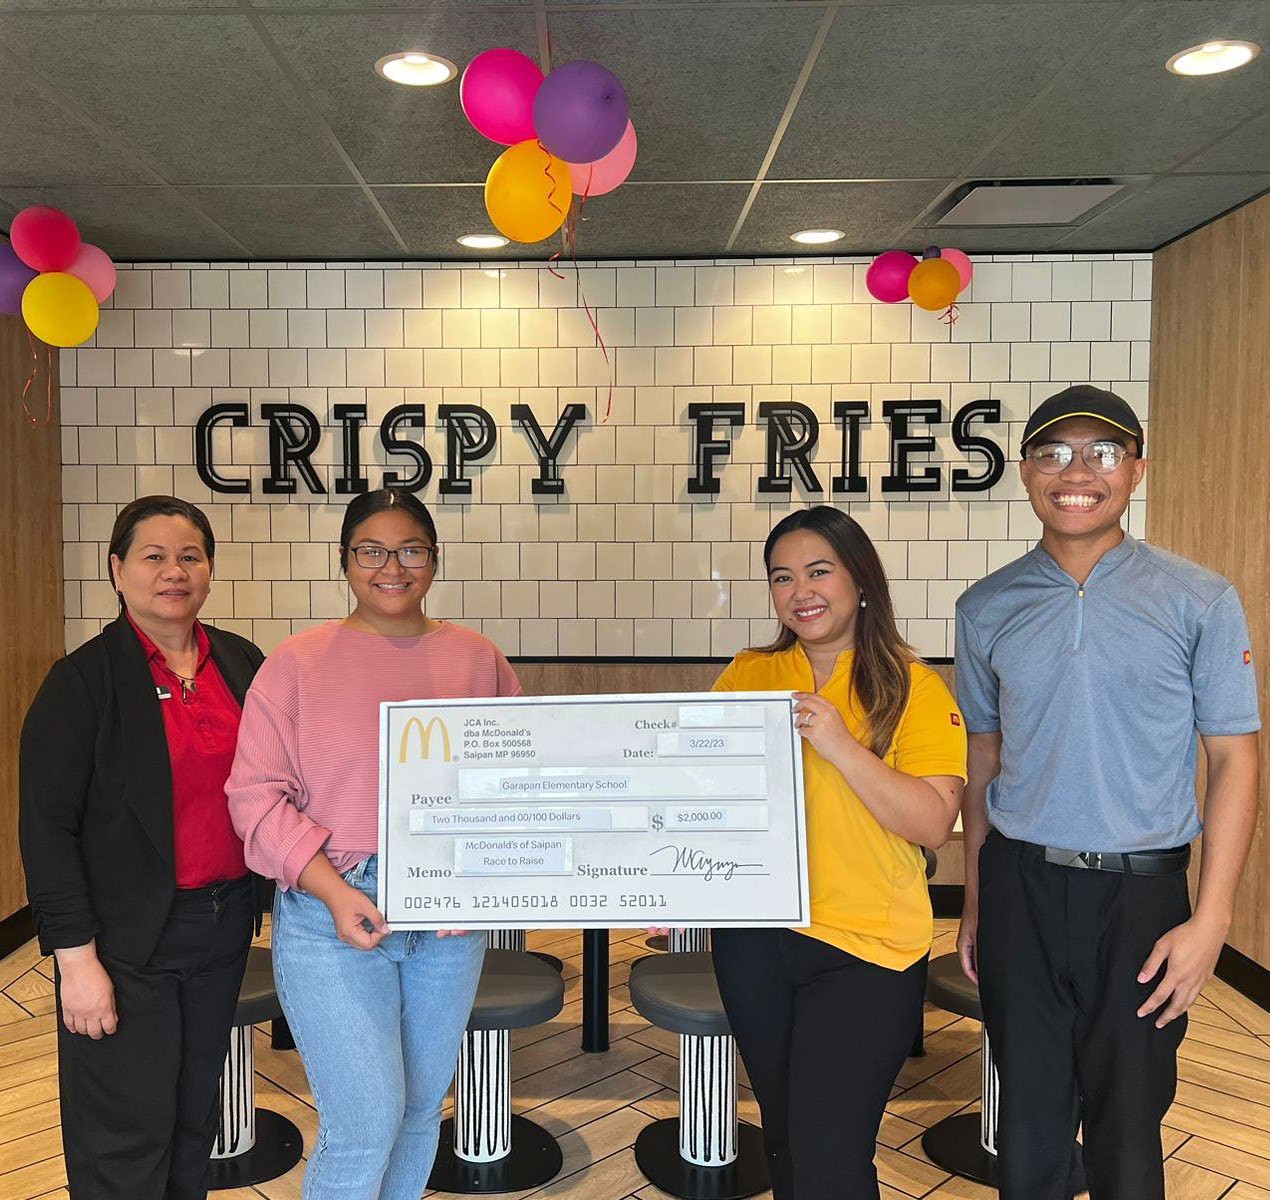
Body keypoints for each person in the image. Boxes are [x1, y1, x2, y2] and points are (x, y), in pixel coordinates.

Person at [954, 385, 1261, 1200]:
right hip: (1021, 885)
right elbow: (984, 758)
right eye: (1054, 454)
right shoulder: (985, 607)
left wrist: (1213, 920)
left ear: (1136, 470)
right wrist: (978, 903)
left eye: (1102, 452)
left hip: (1141, 899)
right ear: (1026, 472)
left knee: (1129, 1126)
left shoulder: (1198, 598)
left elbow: (1234, 760)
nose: (1077, 473)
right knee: (1028, 1124)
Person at [227, 487, 521, 1200]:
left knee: (419, 1112)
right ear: (345, 560)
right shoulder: (296, 663)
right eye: (372, 551)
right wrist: (334, 892)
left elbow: (517, 784)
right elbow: (254, 796)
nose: (392, 567)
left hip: (448, 920)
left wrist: (484, 880)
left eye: (411, 549)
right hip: (332, 909)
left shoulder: (477, 659)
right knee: (364, 1124)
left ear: (435, 559)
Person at [706, 505, 967, 1200]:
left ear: (860, 579)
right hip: (755, 940)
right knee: (787, 1138)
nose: (801, 592)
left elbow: (933, 822)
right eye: (782, 577)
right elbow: (707, 793)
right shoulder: (749, 673)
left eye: (818, 572)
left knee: (831, 1157)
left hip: (865, 949)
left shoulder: (913, 685)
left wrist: (842, 746)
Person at [19, 495, 264, 1200]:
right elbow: (47, 830)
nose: (174, 571)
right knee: (125, 1136)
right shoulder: (82, 682)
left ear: (209, 569)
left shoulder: (241, 663)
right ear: (117, 570)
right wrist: (76, 962)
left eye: (190, 556)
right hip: (125, 943)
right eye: (154, 556)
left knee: (193, 1123)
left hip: (222, 929)